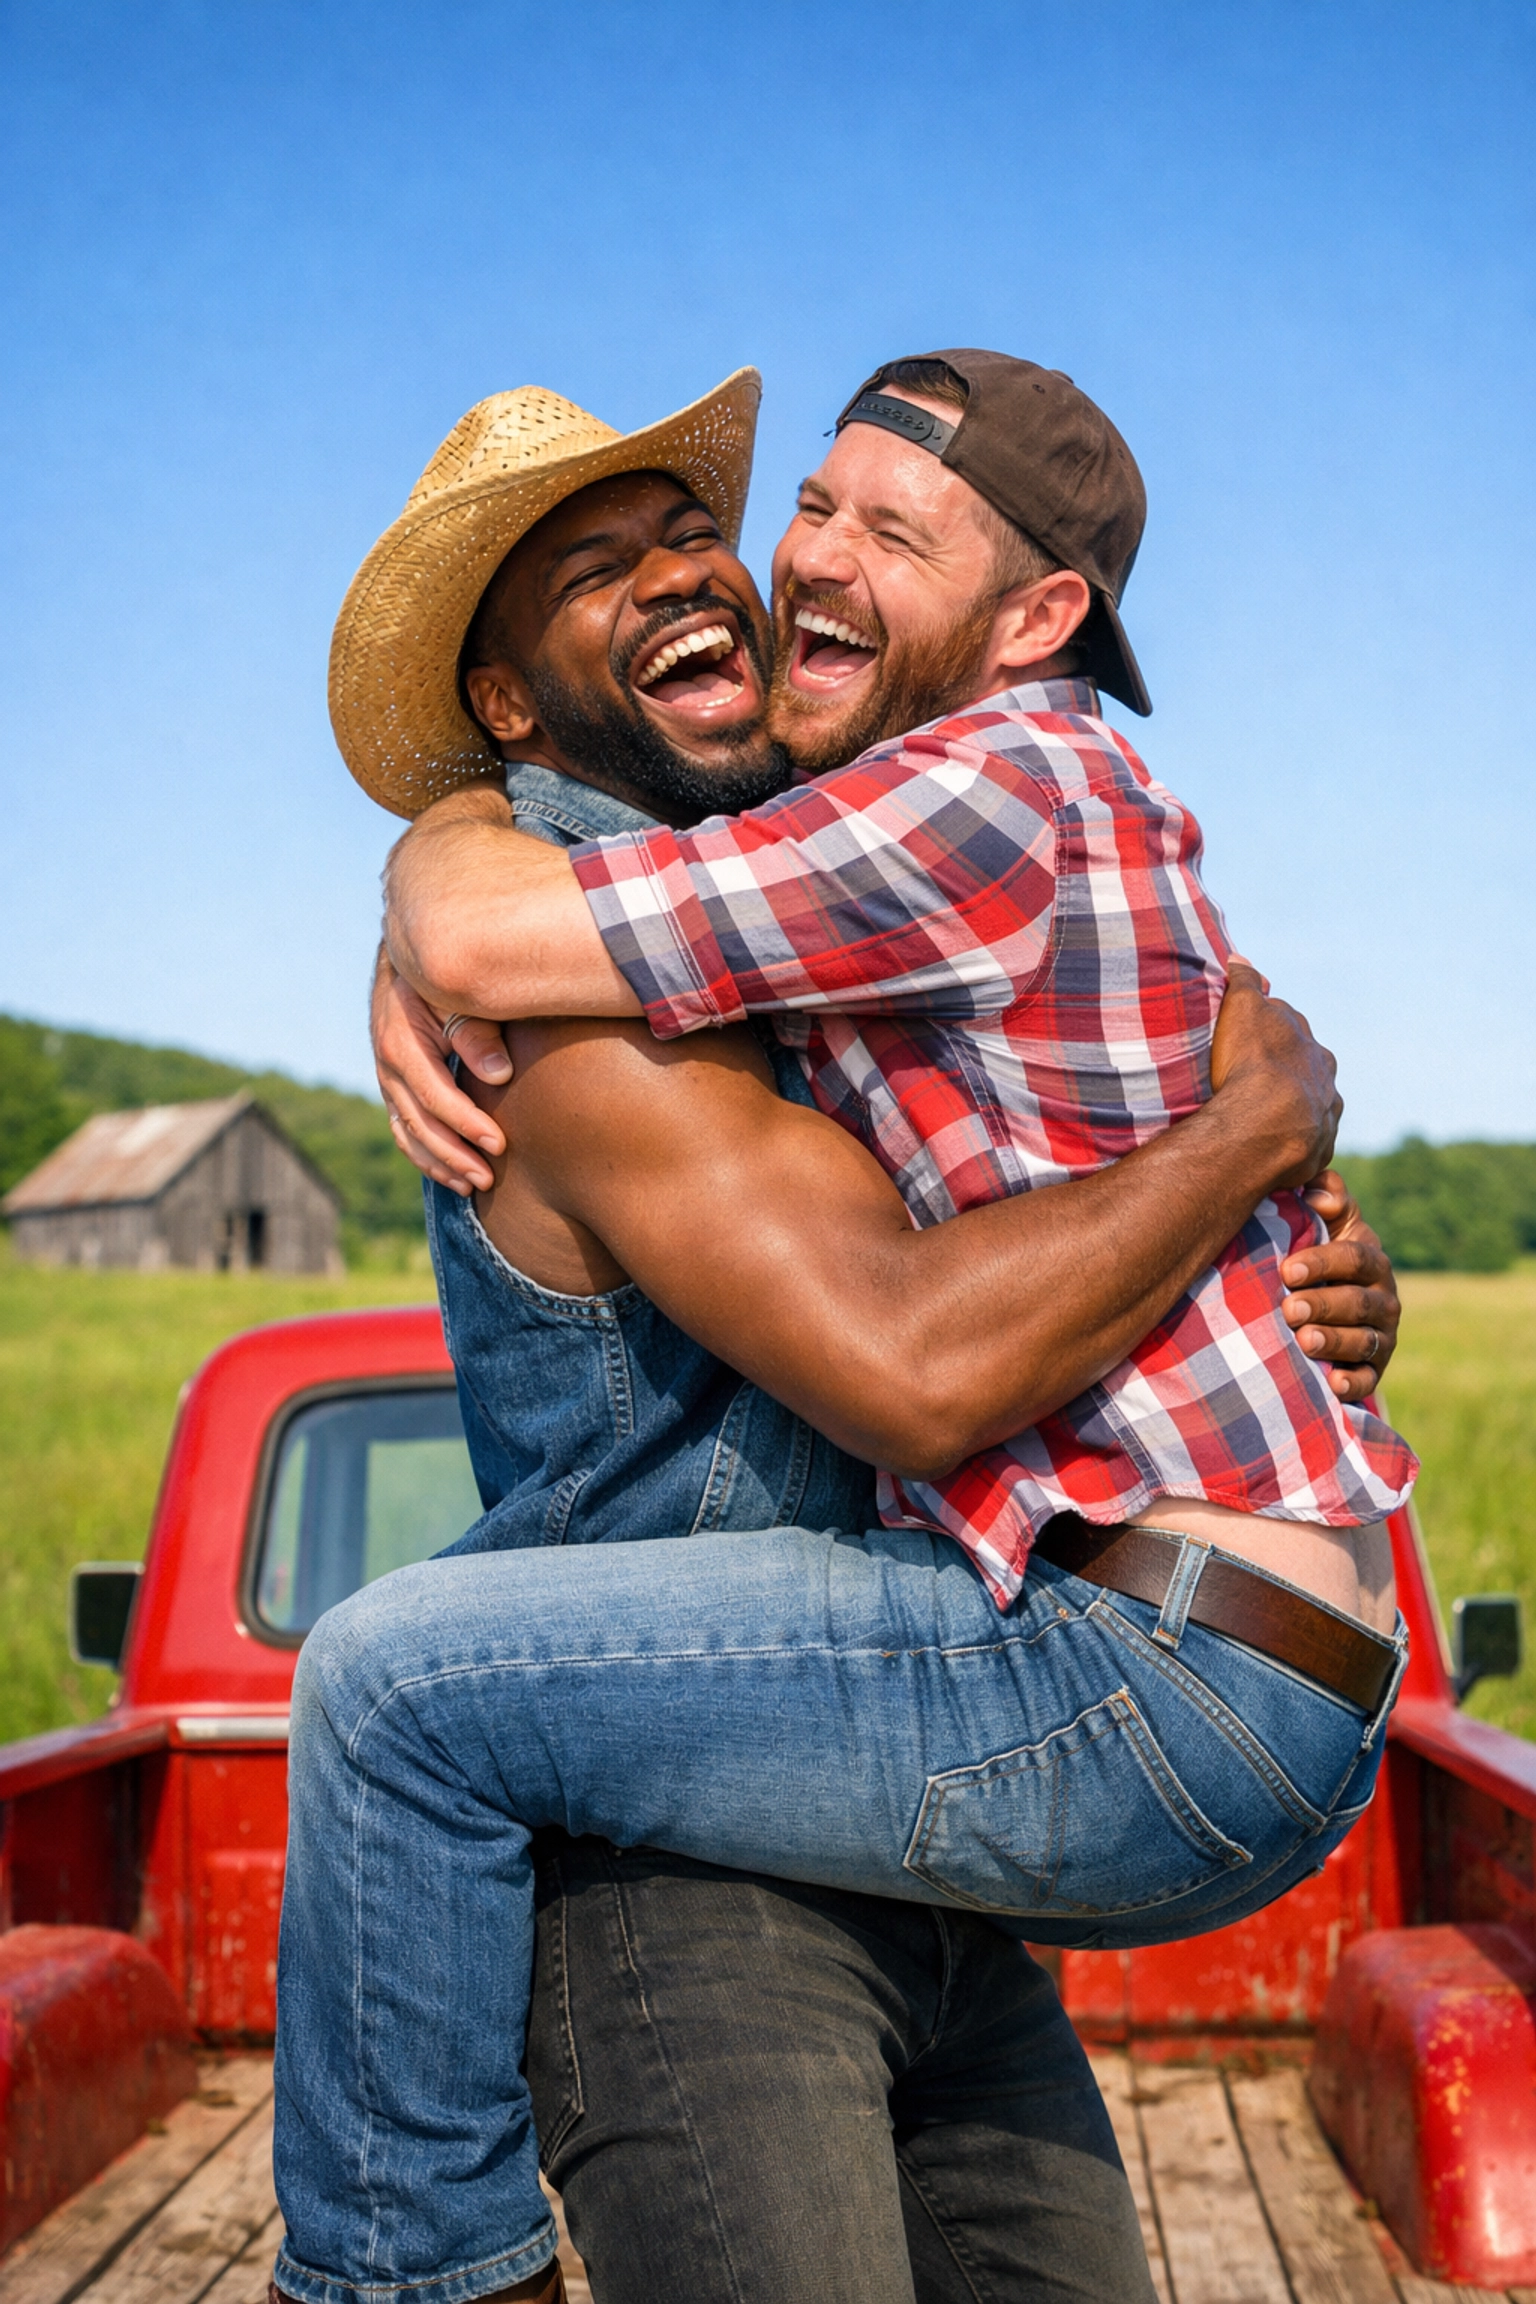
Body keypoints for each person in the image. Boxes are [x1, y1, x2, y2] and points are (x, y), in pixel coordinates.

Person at [272, 365, 1407, 2304]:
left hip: (943, 1740)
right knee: (381, 1683)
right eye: (596, 570)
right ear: (505, 707)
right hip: (720, 1878)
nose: (722, 570)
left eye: (689, 533)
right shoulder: (593, 1009)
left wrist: (1282, 1180)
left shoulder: (856, 859)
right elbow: (907, 1360)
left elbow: (1141, 965)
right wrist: (1247, 1142)